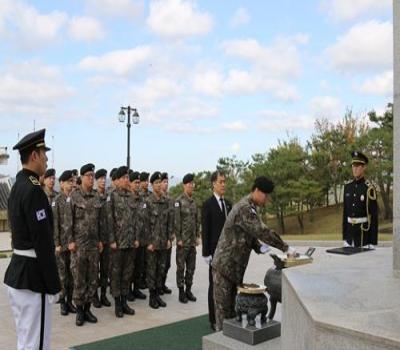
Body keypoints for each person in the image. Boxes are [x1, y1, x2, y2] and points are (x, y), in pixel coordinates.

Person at [212, 176, 294, 331]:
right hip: (224, 269)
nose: (267, 199)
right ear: (256, 190)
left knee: (232, 317)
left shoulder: (250, 207)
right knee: (224, 318)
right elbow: (261, 230)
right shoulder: (244, 208)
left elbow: (247, 233)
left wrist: (258, 246)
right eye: (265, 194)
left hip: (233, 269)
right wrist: (285, 247)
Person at [4, 129, 61, 350]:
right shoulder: (34, 190)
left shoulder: (17, 187)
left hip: (20, 274)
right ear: (34, 156)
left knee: (26, 341)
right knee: (36, 344)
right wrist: (54, 285)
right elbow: (43, 242)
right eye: (43, 153)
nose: (47, 158)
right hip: (33, 278)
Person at [68, 163, 104, 326]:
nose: (91, 178)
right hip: (79, 246)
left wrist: (101, 240)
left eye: (93, 176)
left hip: (93, 245)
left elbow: (100, 221)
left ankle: (88, 308)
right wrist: (70, 241)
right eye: (88, 175)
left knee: (92, 279)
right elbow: (68, 221)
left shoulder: (97, 197)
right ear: (81, 177)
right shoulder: (74, 196)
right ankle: (80, 311)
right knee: (79, 278)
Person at [201, 171, 231, 330]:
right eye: (220, 182)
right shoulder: (208, 204)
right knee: (214, 285)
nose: (223, 184)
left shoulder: (228, 204)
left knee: (226, 285)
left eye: (225, 181)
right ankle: (213, 319)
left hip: (227, 252)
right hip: (213, 251)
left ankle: (226, 315)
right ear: (213, 183)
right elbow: (205, 230)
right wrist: (206, 253)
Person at [108, 166, 138, 317]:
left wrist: (136, 238)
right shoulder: (112, 196)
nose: (127, 180)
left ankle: (125, 301)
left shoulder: (132, 196)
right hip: (118, 243)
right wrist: (112, 240)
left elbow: (136, 219)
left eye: (128, 178)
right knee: (116, 273)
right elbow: (109, 220)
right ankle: (117, 304)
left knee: (127, 273)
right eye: (124, 178)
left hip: (130, 242)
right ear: (118, 180)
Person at [144, 172, 172, 309]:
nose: (159, 185)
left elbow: (168, 222)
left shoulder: (165, 201)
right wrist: (149, 242)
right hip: (152, 244)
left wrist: (168, 238)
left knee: (161, 269)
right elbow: (144, 224)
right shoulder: (148, 202)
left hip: (163, 242)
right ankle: (152, 297)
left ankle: (158, 295)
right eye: (156, 183)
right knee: (152, 270)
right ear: (151, 185)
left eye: (160, 182)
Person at [342, 151, 378, 248]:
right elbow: (345, 213)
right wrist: (344, 237)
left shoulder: (369, 188)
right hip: (349, 239)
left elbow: (374, 216)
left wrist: (372, 241)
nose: (355, 169)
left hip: (363, 238)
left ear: (364, 167)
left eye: (358, 166)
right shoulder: (347, 187)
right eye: (353, 166)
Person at [53, 170, 76, 316]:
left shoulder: (74, 198)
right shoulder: (57, 200)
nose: (71, 184)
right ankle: (62, 302)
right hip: (62, 244)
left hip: (73, 244)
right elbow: (54, 223)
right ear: (61, 183)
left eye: (72, 181)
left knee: (72, 274)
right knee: (62, 275)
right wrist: (57, 243)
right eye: (68, 182)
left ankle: (69, 302)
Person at [174, 173, 200, 303]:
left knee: (191, 267)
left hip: (192, 242)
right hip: (182, 241)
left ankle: (188, 290)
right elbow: (176, 222)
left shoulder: (194, 202)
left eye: (192, 184)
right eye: (189, 184)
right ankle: (181, 292)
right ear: (184, 185)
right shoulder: (178, 202)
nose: (191, 186)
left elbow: (196, 221)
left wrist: (197, 236)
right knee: (181, 267)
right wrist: (178, 238)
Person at [128, 171, 147, 301]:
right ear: (130, 183)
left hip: (141, 238)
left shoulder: (142, 198)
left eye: (139, 183)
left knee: (139, 265)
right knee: (130, 267)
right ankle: (128, 290)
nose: (138, 185)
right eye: (135, 183)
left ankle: (136, 289)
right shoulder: (127, 198)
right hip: (129, 238)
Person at [94, 168, 112, 307]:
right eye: (100, 179)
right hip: (95, 240)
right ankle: (94, 296)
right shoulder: (93, 196)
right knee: (94, 271)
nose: (102, 181)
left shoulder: (109, 196)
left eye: (104, 179)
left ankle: (104, 295)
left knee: (105, 269)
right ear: (96, 181)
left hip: (107, 239)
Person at [160, 172, 173, 295]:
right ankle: (157, 287)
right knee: (159, 264)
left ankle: (162, 284)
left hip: (168, 237)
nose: (166, 184)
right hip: (159, 238)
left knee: (167, 264)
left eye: (167, 182)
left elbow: (171, 218)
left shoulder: (170, 199)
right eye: (164, 182)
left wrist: (171, 236)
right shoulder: (158, 199)